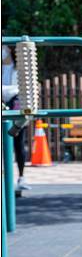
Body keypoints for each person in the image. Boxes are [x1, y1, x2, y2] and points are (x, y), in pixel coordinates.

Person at [2, 45, 29, 196]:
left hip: (14, 103)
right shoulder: (4, 68)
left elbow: (16, 90)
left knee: (18, 143)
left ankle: (21, 177)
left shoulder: (19, 69)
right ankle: (6, 179)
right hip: (4, 102)